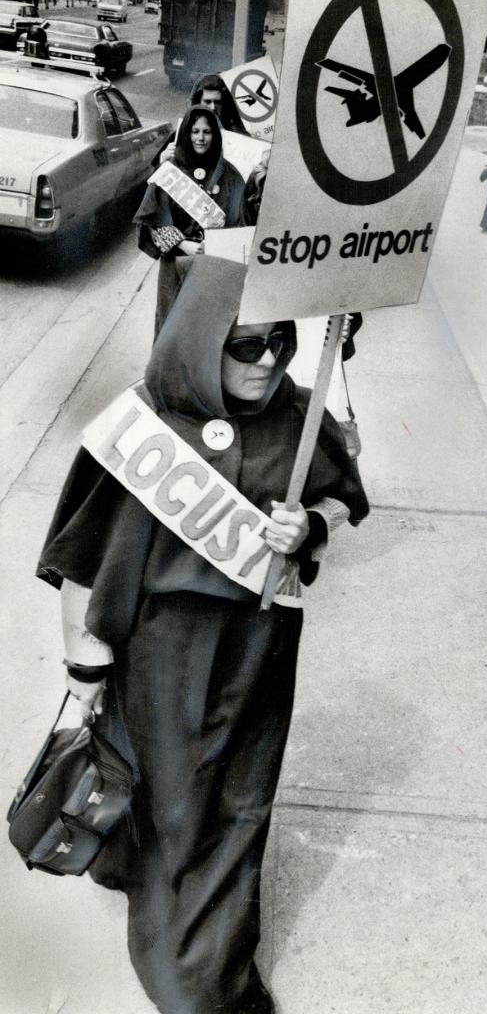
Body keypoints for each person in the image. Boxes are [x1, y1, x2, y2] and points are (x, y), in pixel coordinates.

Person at [36, 256, 369, 1014]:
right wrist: (84, 671)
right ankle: (187, 975)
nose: (266, 361)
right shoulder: (139, 428)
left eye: (279, 342)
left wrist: (309, 527)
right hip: (161, 652)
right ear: (196, 339)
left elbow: (345, 501)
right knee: (176, 807)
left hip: (257, 645)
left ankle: (208, 966)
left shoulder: (298, 414)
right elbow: (80, 561)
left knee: (238, 804)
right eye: (243, 344)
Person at [135, 104, 246, 335]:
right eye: (195, 131)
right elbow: (154, 216)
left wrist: (217, 245)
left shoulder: (231, 175)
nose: (201, 138)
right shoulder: (171, 169)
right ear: (186, 133)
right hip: (176, 265)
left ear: (215, 135)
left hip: (213, 266)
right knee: (171, 326)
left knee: (206, 330)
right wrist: (183, 244)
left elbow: (239, 223)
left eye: (207, 132)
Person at [156, 73, 250, 168]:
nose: (213, 107)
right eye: (207, 102)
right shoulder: (179, 135)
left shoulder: (236, 134)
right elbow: (153, 178)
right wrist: (162, 160)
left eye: (217, 102)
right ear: (198, 102)